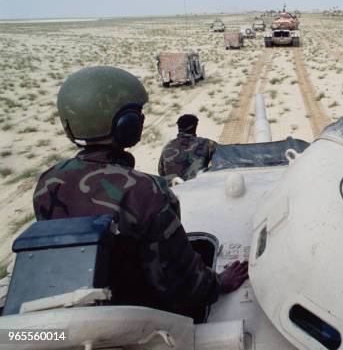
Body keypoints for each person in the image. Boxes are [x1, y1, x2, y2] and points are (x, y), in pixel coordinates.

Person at [33, 66, 248, 321]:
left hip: (77, 311)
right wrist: (217, 283)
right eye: (138, 115)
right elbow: (178, 281)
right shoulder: (146, 192)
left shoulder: (47, 184)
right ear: (127, 125)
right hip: (138, 319)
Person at [158, 114, 217, 182]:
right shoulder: (206, 144)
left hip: (173, 190)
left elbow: (161, 172)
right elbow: (224, 158)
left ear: (179, 127)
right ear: (194, 127)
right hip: (197, 189)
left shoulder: (167, 147)